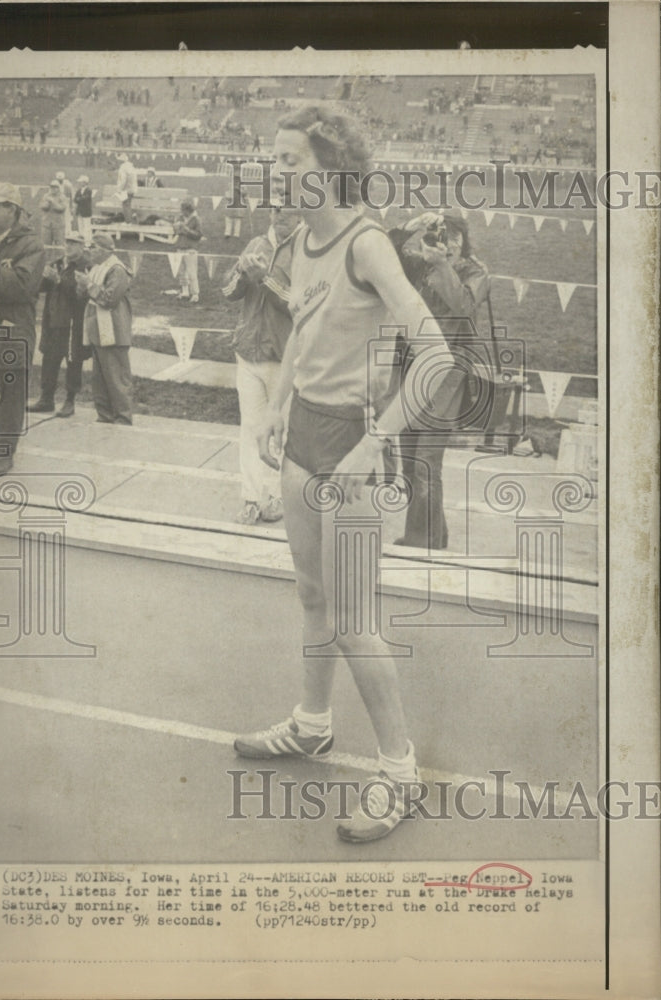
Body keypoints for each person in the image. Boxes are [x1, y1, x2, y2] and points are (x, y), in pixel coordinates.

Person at [233, 106, 455, 843]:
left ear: (328, 170)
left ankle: (399, 771)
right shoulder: (301, 237)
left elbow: (436, 358)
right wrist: (275, 404)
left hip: (356, 448)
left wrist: (374, 443)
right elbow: (303, 321)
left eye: (290, 159)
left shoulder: (368, 245)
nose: (277, 170)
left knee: (355, 621)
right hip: (302, 438)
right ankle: (311, 724)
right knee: (311, 595)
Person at [387, 211, 490, 549]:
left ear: (465, 241)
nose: (451, 243)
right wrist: (410, 227)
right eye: (445, 235)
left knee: (426, 461)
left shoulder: (476, 272)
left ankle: (422, 540)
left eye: (457, 236)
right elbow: (387, 254)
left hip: (448, 375)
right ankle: (433, 533)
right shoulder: (421, 264)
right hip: (410, 368)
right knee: (410, 460)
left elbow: (462, 305)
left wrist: (443, 266)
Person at [222, 204, 300, 525]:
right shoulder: (255, 243)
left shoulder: (306, 249)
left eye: (289, 210)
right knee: (250, 429)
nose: (280, 215)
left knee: (283, 432)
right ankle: (252, 498)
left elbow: (301, 305)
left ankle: (280, 496)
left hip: (284, 359)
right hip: (248, 352)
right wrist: (241, 271)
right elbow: (227, 292)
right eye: (276, 209)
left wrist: (266, 278)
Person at [0, 181, 46, 476]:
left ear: (12, 210)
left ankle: (4, 454)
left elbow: (23, 286)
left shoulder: (32, 244)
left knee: (12, 391)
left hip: (14, 330)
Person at [27, 232, 91, 418]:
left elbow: (80, 297)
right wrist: (43, 278)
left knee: (73, 363)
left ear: (82, 247)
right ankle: (46, 399)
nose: (69, 246)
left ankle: (70, 401)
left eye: (74, 243)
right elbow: (40, 288)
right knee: (49, 361)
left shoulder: (86, 267)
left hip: (72, 324)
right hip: (52, 322)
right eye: (67, 243)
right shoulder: (56, 263)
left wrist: (58, 280)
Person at [75, 233, 133, 425]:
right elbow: (86, 296)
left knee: (116, 378)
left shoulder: (117, 270)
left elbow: (109, 300)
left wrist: (88, 284)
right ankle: (105, 416)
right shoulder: (98, 268)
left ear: (104, 250)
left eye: (93, 248)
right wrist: (81, 286)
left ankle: (123, 418)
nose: (89, 252)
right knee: (100, 379)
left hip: (113, 330)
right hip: (97, 329)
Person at [172, 198, 202, 302]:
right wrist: (176, 228)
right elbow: (174, 231)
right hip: (180, 247)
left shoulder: (196, 219)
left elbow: (198, 235)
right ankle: (185, 291)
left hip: (190, 249)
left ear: (188, 210)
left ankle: (195, 294)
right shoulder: (179, 217)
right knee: (181, 272)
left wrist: (187, 230)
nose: (182, 212)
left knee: (192, 272)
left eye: (183, 210)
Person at [40, 180, 68, 247]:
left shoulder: (62, 197)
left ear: (58, 188)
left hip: (58, 225)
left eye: (55, 187)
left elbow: (61, 208)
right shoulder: (46, 196)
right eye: (52, 187)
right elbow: (42, 206)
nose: (53, 189)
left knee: (59, 245)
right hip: (47, 224)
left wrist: (53, 202)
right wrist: (47, 202)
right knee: (45, 245)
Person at [115, 152, 138, 223]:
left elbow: (123, 180)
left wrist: (119, 189)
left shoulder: (123, 168)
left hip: (125, 190)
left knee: (125, 205)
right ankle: (129, 220)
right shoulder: (130, 167)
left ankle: (128, 221)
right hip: (131, 189)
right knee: (128, 205)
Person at [73, 175, 93, 243]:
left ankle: (88, 239)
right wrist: (79, 199)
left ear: (85, 182)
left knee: (87, 226)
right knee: (80, 225)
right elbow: (75, 199)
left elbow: (86, 198)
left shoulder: (89, 190)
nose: (80, 183)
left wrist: (79, 199)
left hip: (86, 211)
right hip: (80, 211)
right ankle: (81, 237)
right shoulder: (79, 190)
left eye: (81, 182)